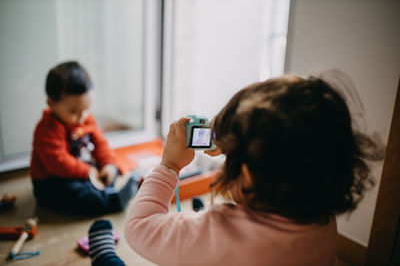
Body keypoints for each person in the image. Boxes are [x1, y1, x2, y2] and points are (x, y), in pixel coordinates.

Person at [91, 74, 381, 265]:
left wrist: (169, 166)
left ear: (247, 174)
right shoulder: (321, 218)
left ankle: (103, 255)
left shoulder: (215, 231)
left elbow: (140, 227)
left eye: (231, 156)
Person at [30, 61, 139, 214]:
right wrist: (89, 172)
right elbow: (58, 163)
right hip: (53, 181)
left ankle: (105, 187)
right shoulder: (47, 128)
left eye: (86, 109)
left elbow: (100, 143)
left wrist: (108, 163)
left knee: (108, 171)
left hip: (84, 171)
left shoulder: (85, 118)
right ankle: (111, 200)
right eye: (74, 111)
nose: (82, 116)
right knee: (73, 194)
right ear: (51, 103)